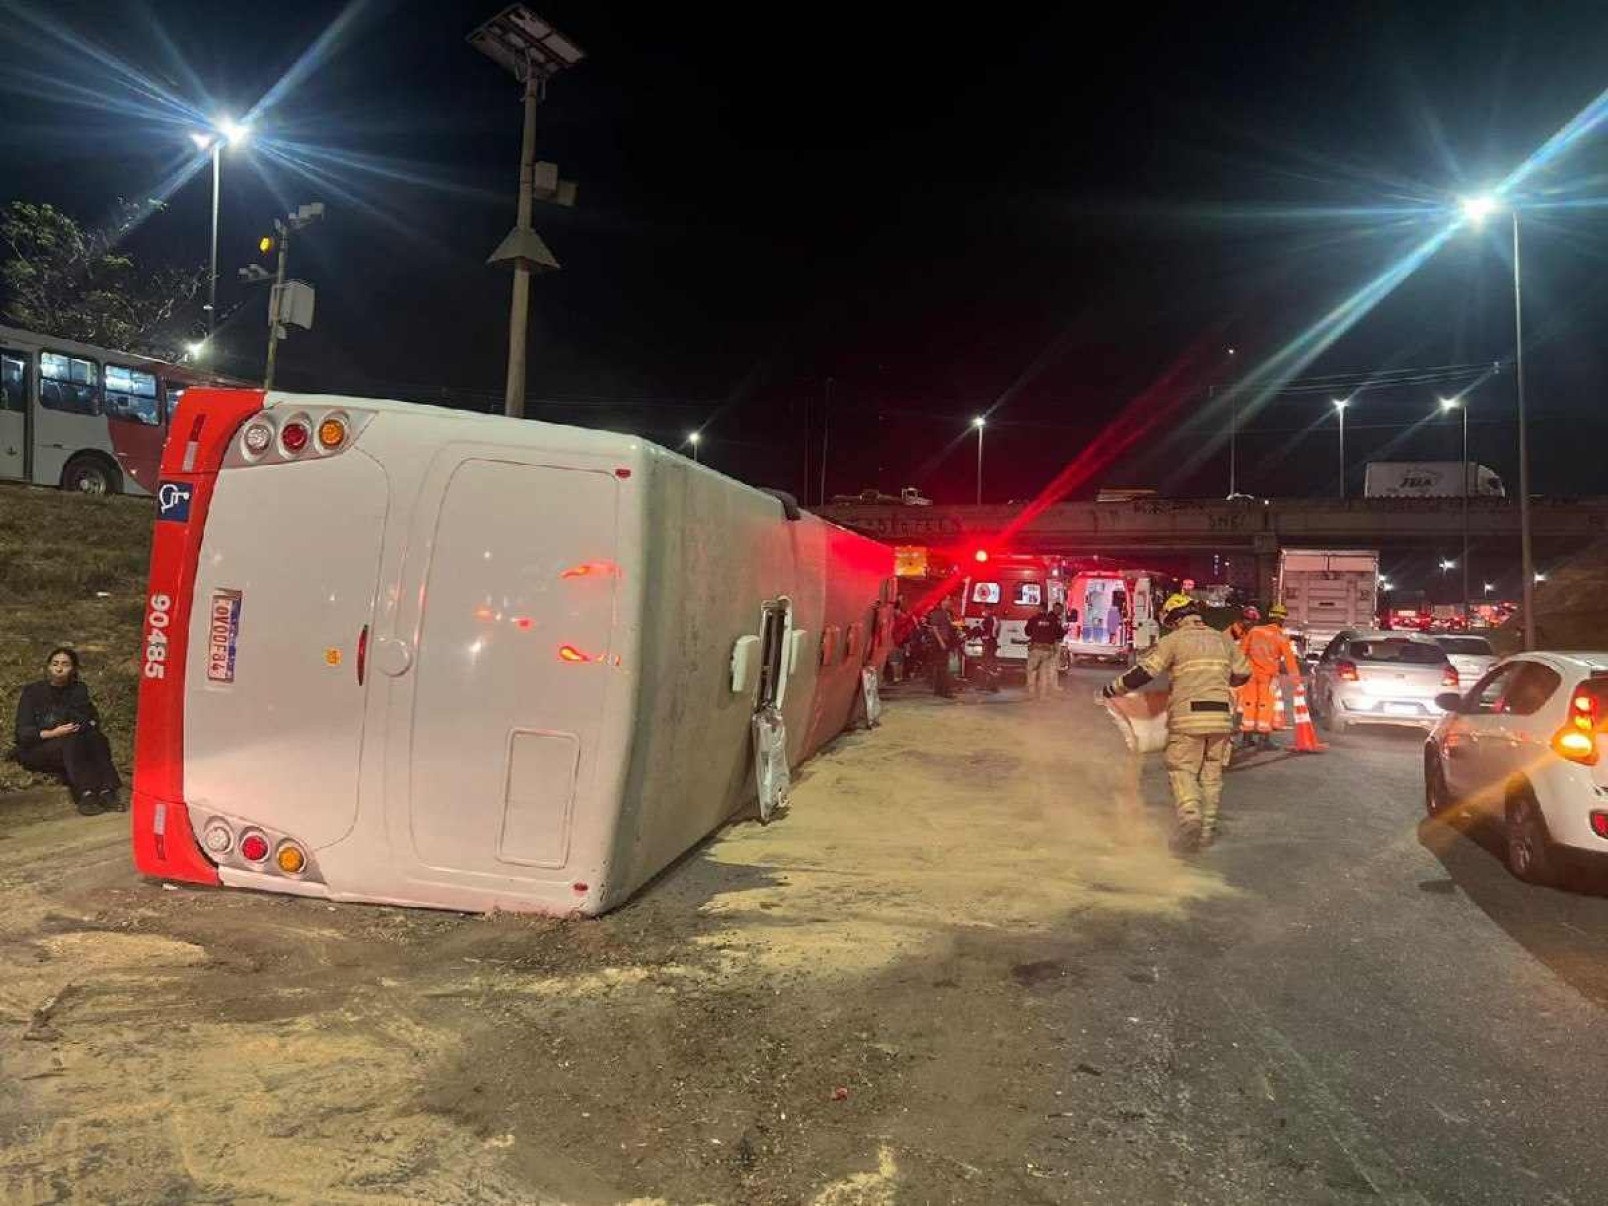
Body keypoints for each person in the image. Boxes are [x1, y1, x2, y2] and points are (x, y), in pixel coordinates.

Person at [1103, 593, 1251, 852]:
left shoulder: (1174, 640)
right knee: (1211, 775)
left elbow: (1144, 672)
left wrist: (1112, 689)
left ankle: (1190, 818)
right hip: (1220, 719)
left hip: (1188, 717)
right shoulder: (1222, 639)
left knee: (1182, 769)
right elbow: (1243, 673)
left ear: (1175, 618)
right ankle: (1205, 834)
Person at [12, 647, 124, 816]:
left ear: (73, 668)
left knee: (97, 738)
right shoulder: (33, 692)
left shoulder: (78, 690)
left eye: (65, 664)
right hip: (38, 749)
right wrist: (54, 733)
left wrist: (81, 726)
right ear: (48, 667)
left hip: (74, 745)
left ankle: (107, 791)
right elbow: (23, 733)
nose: (59, 668)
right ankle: (85, 794)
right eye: (55, 664)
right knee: (71, 740)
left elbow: (91, 720)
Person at [1239, 602, 1302, 749]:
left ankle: (1246, 738)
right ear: (1282, 620)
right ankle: (1263, 739)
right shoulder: (1281, 637)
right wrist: (1296, 679)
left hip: (1250, 675)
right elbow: (1289, 660)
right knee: (1266, 706)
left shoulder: (1254, 631)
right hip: (1268, 677)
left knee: (1249, 704)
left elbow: (1241, 651)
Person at [1023, 601, 1066, 701]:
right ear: (1047, 609)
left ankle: (1031, 693)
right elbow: (1059, 634)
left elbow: (1027, 632)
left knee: (1032, 671)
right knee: (1044, 673)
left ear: (1039, 608)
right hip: (1047, 651)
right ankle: (1043, 695)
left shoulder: (1033, 619)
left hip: (1035, 649)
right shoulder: (1053, 620)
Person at [927, 599, 961, 699]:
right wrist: (941, 641)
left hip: (946, 641)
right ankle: (944, 691)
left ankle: (939, 690)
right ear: (942, 602)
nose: (949, 603)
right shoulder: (937, 613)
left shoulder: (947, 613)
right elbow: (935, 628)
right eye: (947, 601)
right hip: (940, 642)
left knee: (942, 666)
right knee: (943, 667)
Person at [971, 605, 1001, 693]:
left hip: (989, 643)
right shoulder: (995, 619)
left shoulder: (989, 620)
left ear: (989, 610)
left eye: (984, 610)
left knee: (986, 665)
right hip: (991, 643)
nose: (983, 612)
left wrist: (973, 633)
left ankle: (986, 686)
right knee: (991, 665)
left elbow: (982, 630)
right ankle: (992, 686)